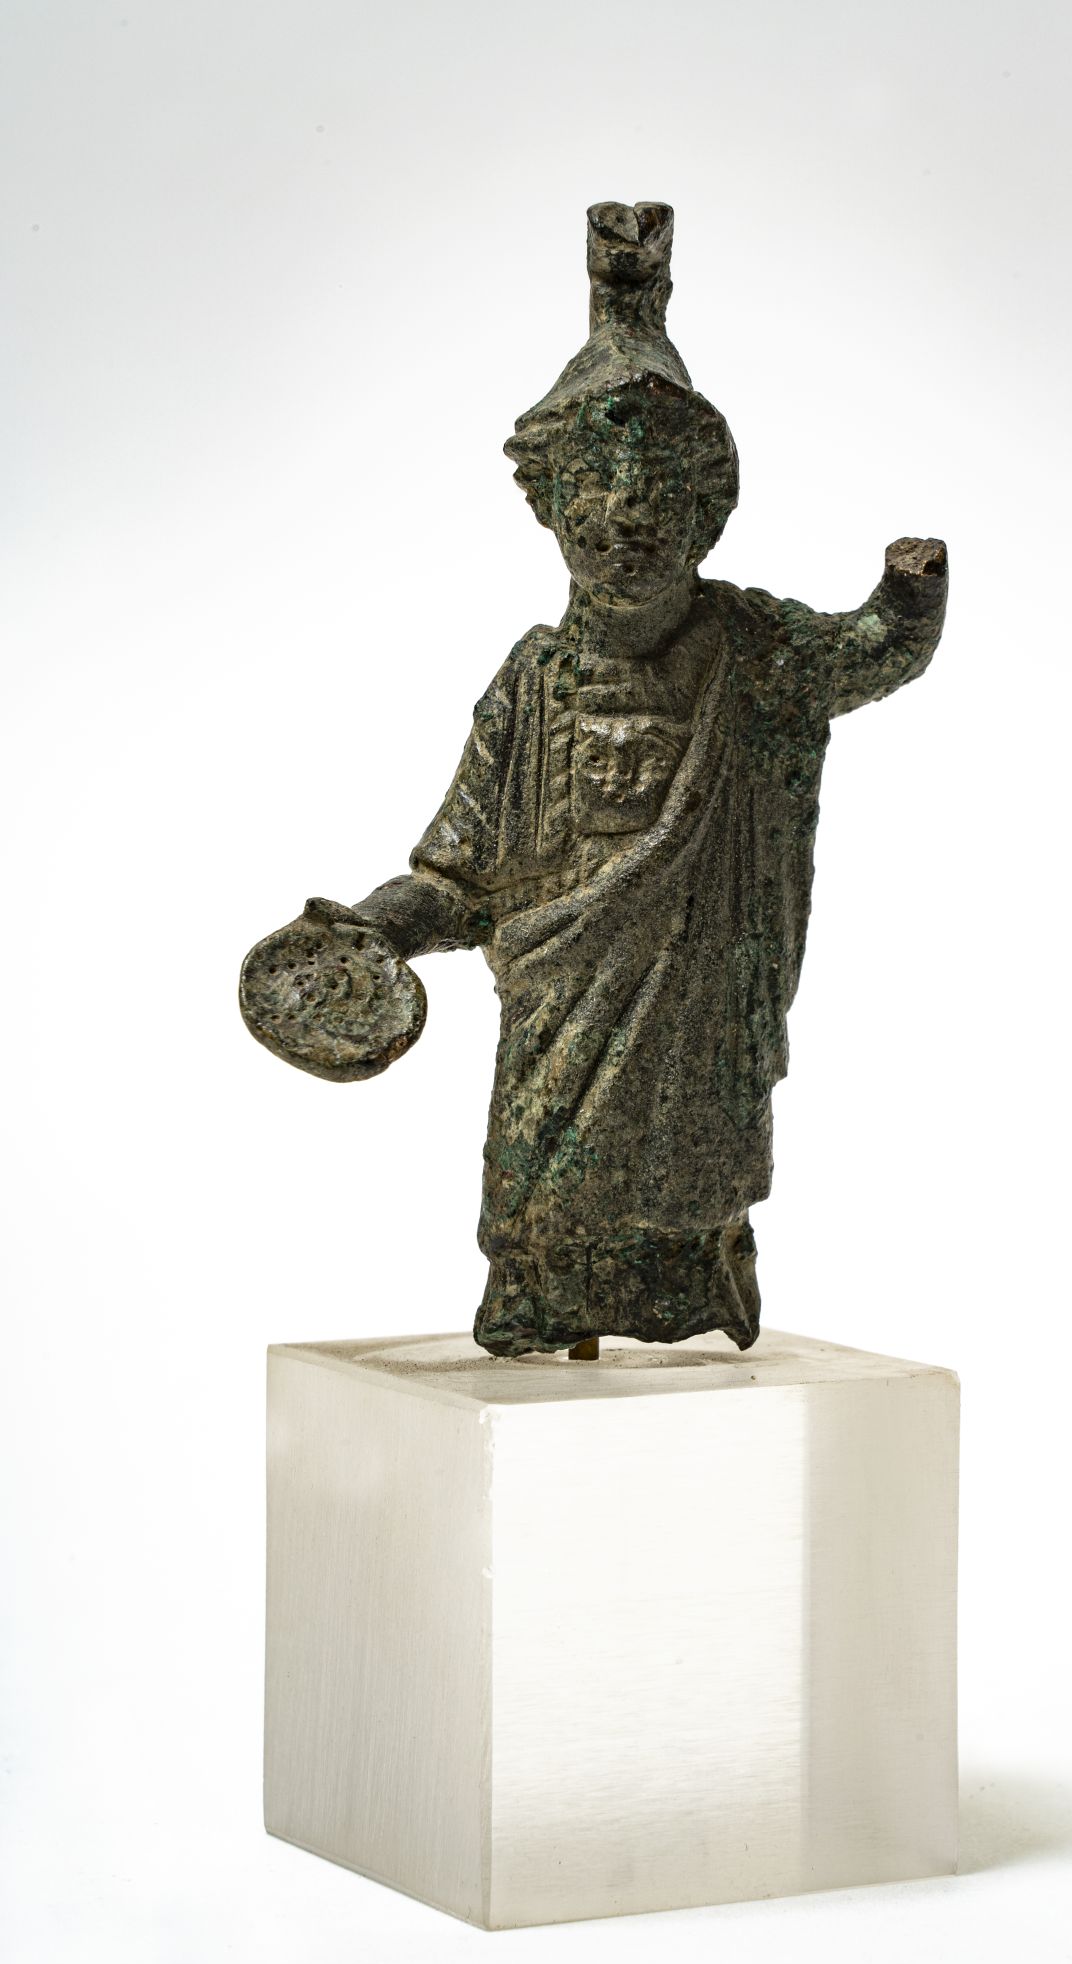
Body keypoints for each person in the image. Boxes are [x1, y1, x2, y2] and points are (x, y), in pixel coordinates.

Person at [242, 202, 948, 1358]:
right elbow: (460, 876)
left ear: (705, 512)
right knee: (546, 1202)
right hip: (562, 1026)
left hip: (697, 1016)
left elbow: (872, 652)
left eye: (657, 495)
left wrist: (911, 593)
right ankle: (545, 1301)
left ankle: (690, 1287)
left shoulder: (758, 654)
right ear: (553, 508)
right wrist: (374, 927)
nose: (626, 518)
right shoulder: (532, 684)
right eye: (597, 493)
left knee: (690, 1185)